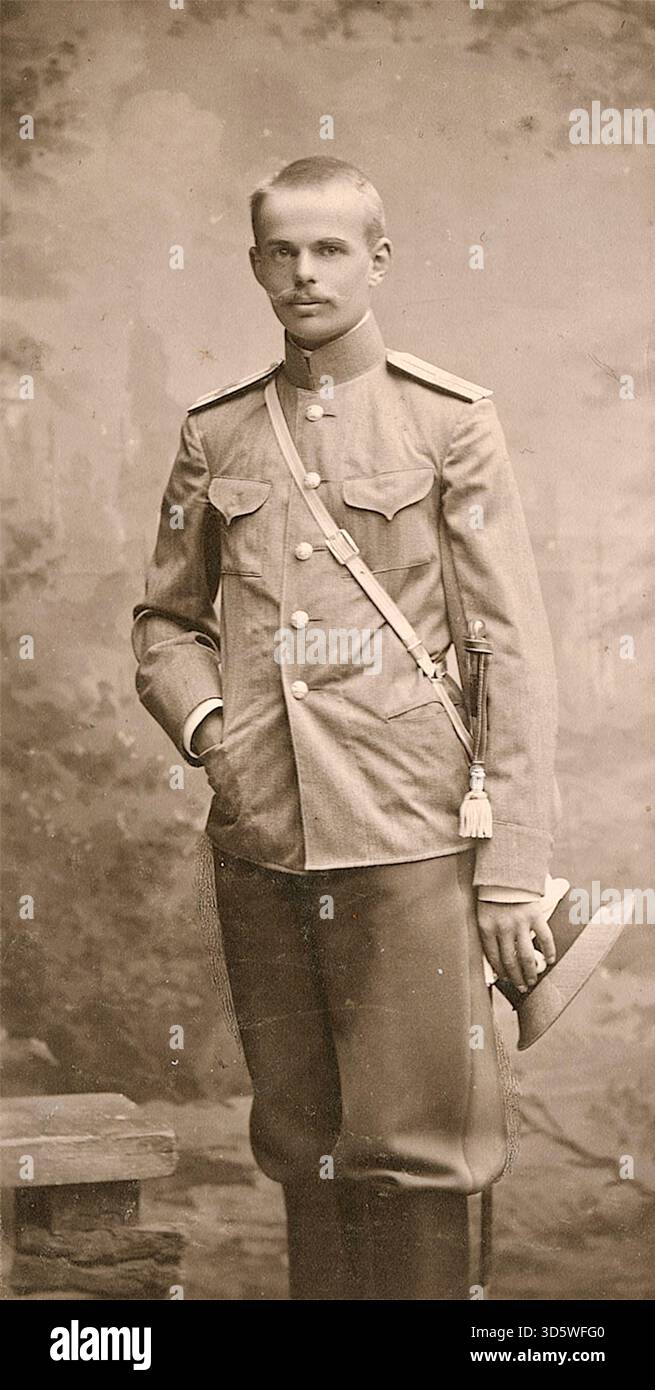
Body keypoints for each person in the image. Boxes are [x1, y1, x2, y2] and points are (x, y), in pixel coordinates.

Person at [131, 156, 559, 1300]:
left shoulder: (447, 421)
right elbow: (167, 623)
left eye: (331, 249)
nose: (305, 270)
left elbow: (508, 648)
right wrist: (215, 733)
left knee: (417, 1152)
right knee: (304, 1142)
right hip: (264, 836)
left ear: (377, 259)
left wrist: (513, 869)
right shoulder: (215, 434)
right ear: (256, 264)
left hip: (412, 831)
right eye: (283, 250)